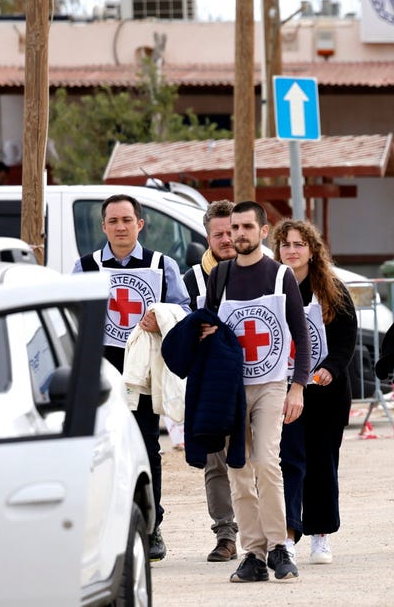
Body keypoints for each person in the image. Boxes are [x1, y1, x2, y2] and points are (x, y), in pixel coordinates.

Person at [73, 193, 192, 562]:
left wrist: (163, 316)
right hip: (101, 371)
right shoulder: (85, 267)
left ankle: (152, 527)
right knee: (99, 449)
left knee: (146, 447)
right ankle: (102, 528)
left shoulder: (162, 265)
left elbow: (184, 310)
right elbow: (70, 313)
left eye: (127, 220)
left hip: (144, 371)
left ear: (140, 224)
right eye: (113, 221)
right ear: (103, 226)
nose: (120, 227)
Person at [199, 201, 310, 583]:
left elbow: (301, 336)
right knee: (239, 469)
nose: (238, 234)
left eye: (247, 227)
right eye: (234, 227)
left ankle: (280, 546)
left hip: (271, 385)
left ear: (263, 231)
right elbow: (207, 327)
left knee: (265, 461)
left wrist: (298, 388)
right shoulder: (220, 276)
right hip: (231, 388)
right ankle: (254, 554)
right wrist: (202, 332)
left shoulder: (281, 276)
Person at [272, 219, 358, 565]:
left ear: (312, 250)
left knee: (323, 463)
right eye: (285, 244)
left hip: (327, 393)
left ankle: (321, 535)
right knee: (289, 461)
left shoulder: (331, 289)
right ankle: (288, 533)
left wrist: (329, 369)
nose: (292, 251)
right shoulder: (271, 286)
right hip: (284, 392)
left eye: (299, 244)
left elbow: (346, 338)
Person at [182, 199, 239, 563]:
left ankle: (264, 535)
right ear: (207, 237)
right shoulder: (191, 279)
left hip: (255, 378)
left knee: (259, 460)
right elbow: (179, 327)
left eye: (231, 231)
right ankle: (225, 534)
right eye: (218, 234)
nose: (226, 239)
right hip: (210, 383)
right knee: (215, 463)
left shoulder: (265, 272)